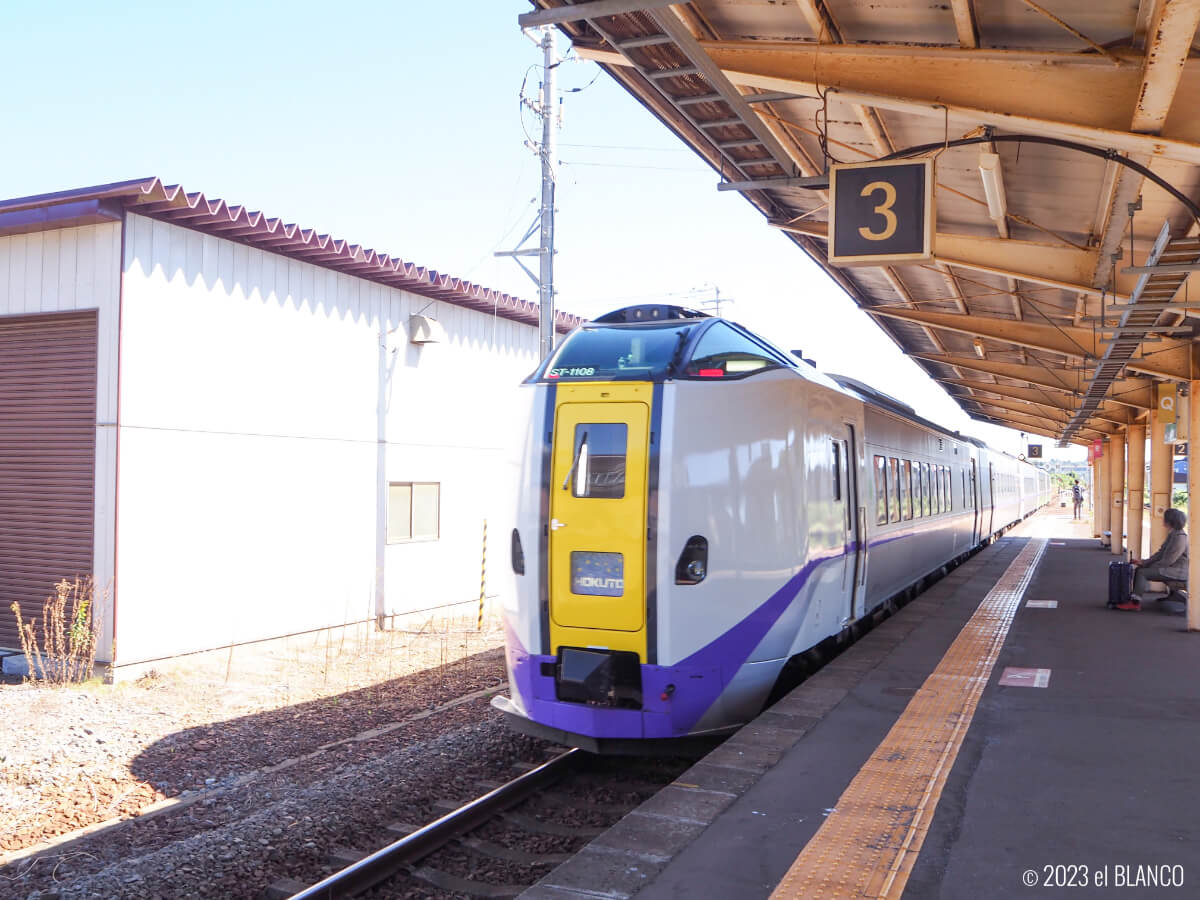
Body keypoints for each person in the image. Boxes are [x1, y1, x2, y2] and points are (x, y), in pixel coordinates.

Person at [1120, 508, 1189, 611]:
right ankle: (1135, 599)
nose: (1163, 520)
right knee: (1141, 569)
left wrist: (1148, 566)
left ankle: (1135, 603)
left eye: (1164, 518)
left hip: (1178, 571)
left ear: (1170, 521)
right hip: (1174, 568)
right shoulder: (1174, 534)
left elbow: (1168, 560)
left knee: (1142, 573)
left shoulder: (1179, 538)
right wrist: (1144, 562)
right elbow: (1160, 553)